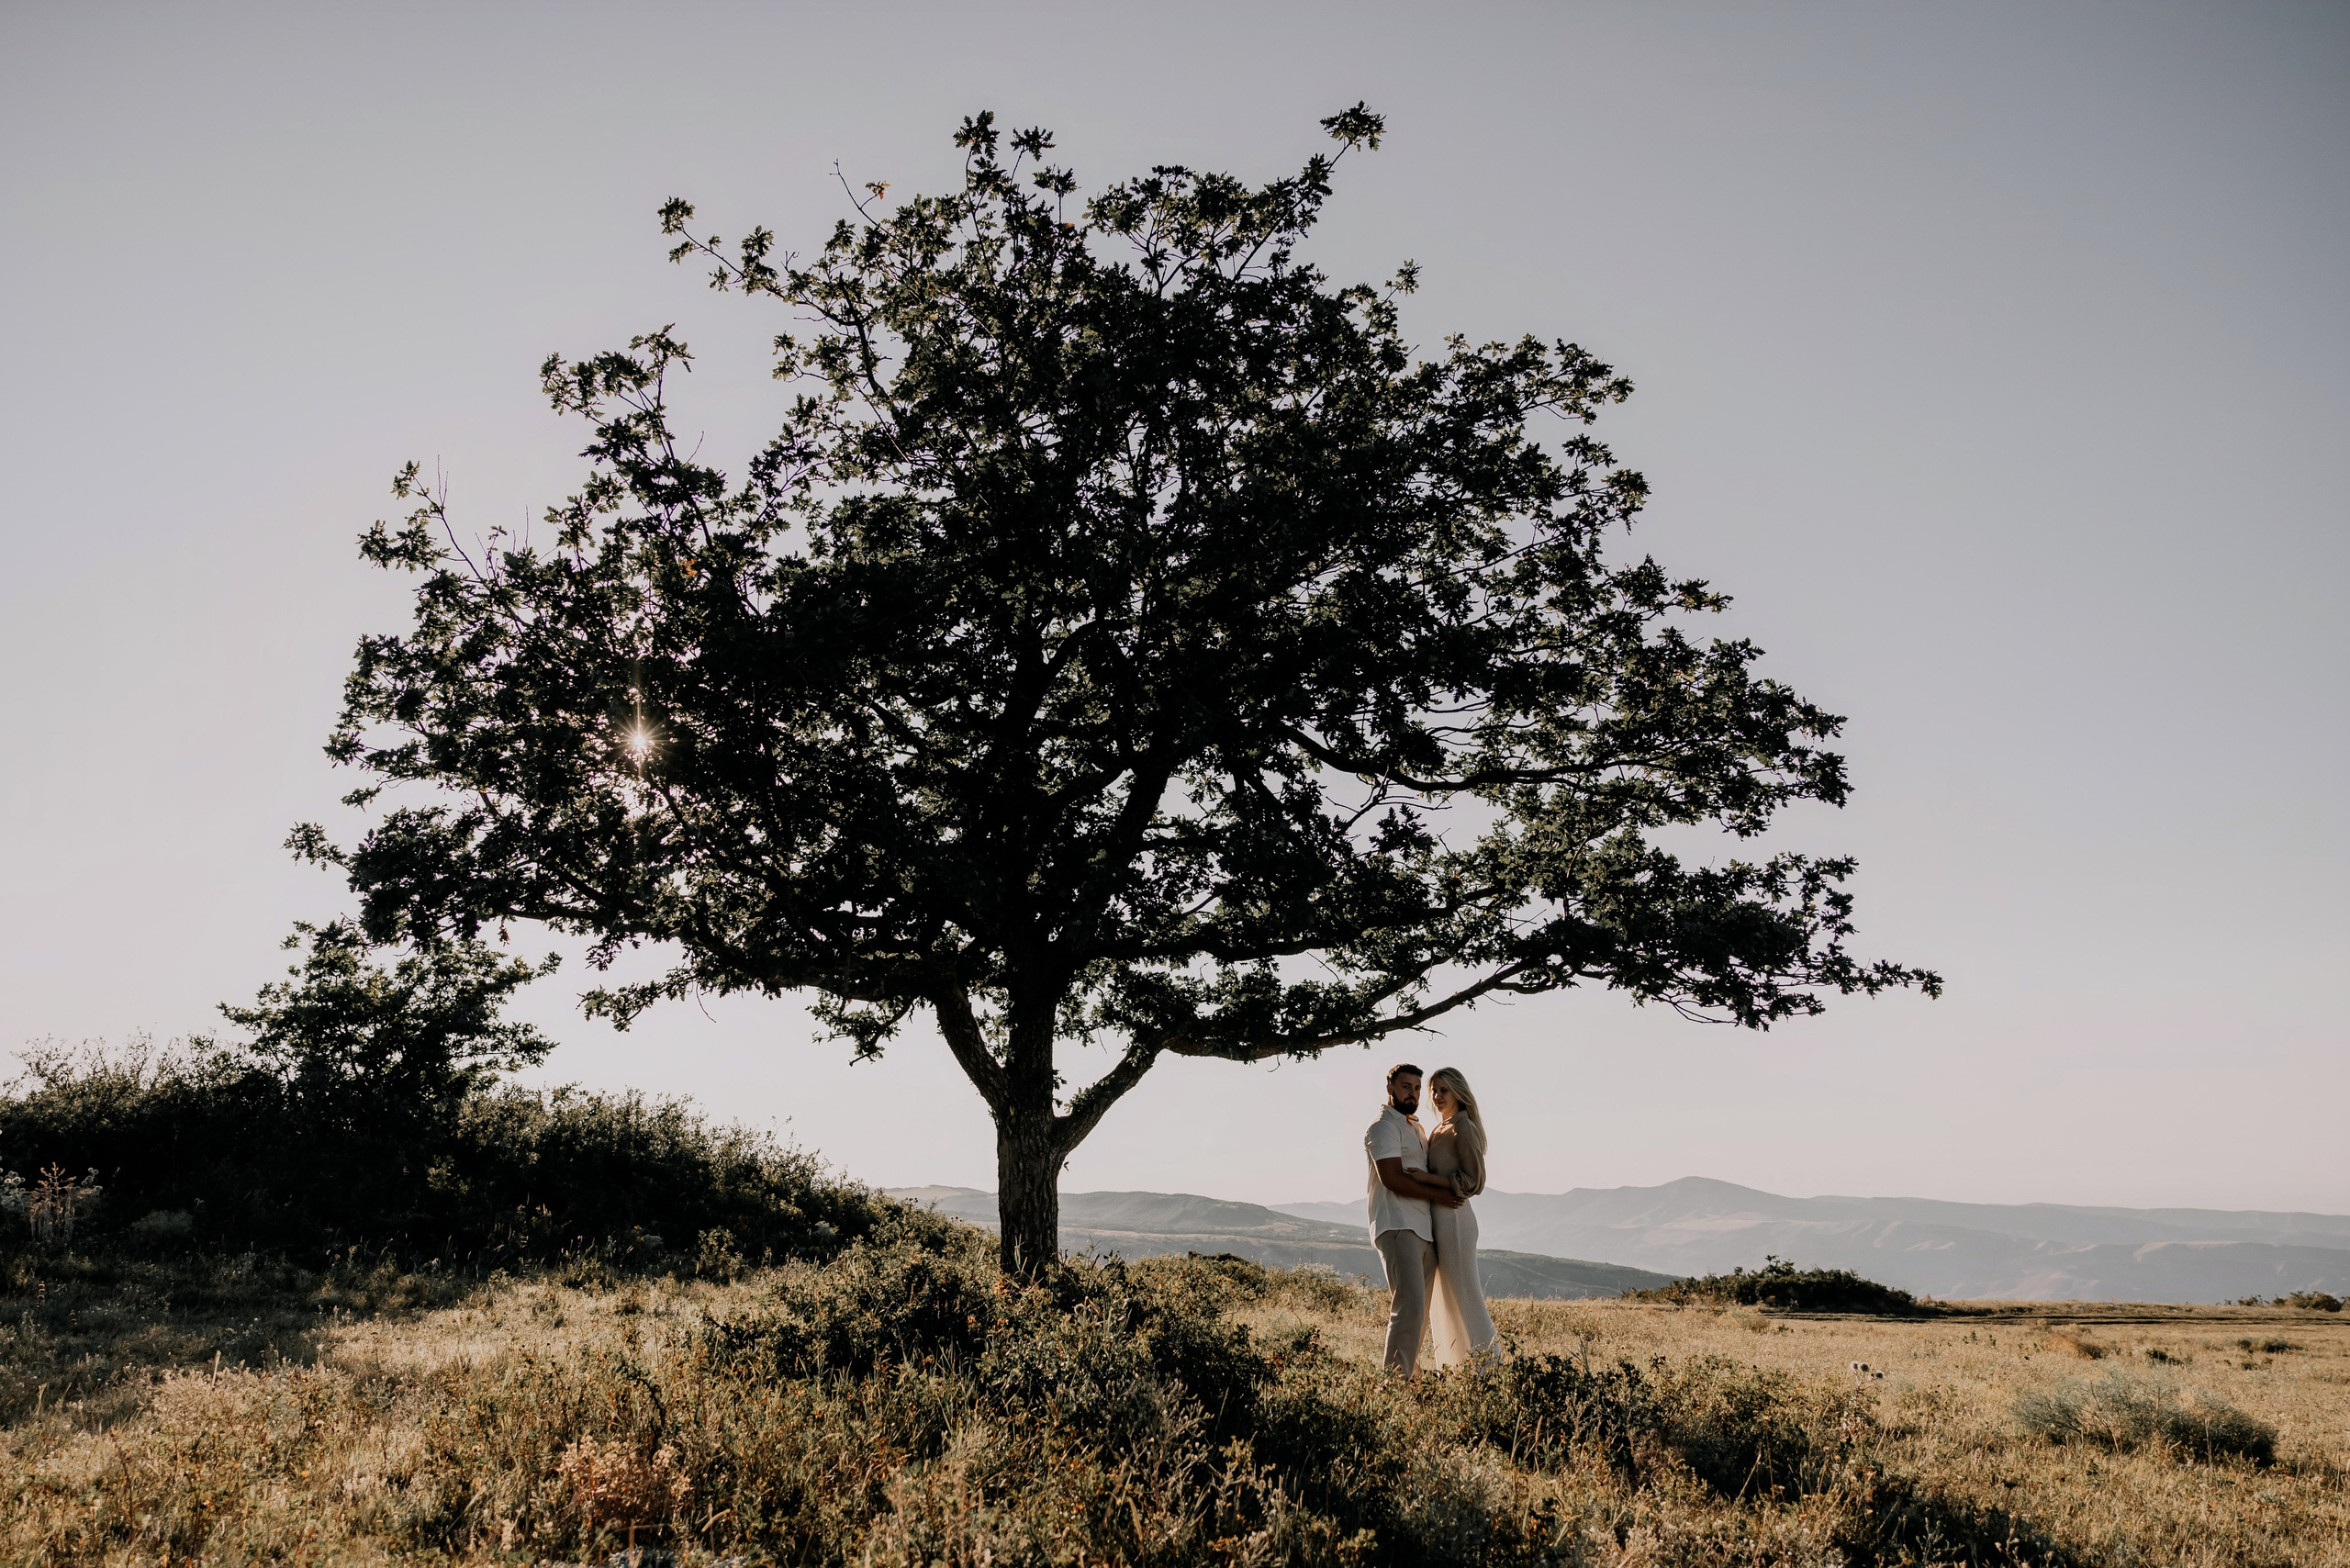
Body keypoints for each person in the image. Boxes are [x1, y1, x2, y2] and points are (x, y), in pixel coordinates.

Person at [1362, 1062, 1463, 1376]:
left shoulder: (1414, 1127)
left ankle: (1409, 1372)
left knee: (1418, 1312)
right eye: (1407, 1087)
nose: (1414, 1093)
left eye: (1418, 1088)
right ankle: (1395, 1382)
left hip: (1422, 1228)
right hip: (1397, 1224)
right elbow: (1392, 1178)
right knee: (1408, 1307)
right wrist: (1437, 1195)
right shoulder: (1383, 1127)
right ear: (1390, 1088)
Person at [1424, 1066, 1497, 1367]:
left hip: (1455, 1219)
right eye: (1434, 1090)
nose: (1437, 1095)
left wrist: (1426, 1180)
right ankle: (1457, 1368)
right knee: (1445, 1299)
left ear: (1458, 1093)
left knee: (1466, 1296)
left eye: (1444, 1090)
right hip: (1439, 1219)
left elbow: (1474, 1180)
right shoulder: (1439, 1128)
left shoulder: (1462, 1126)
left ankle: (1488, 1368)